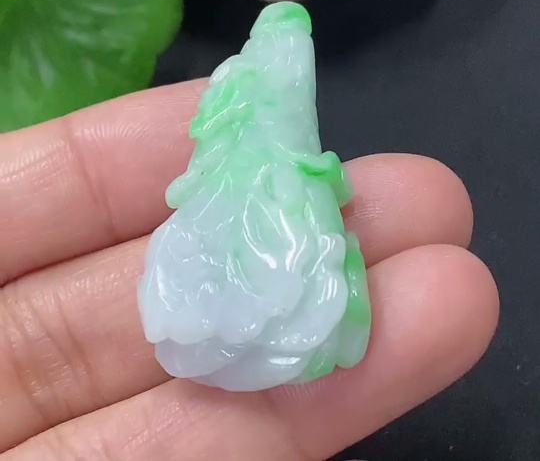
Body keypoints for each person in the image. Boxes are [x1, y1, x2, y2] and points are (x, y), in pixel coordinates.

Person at [0, 80, 499, 460]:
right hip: (242, 274)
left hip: (283, 269)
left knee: (305, 291)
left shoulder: (276, 166)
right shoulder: (234, 158)